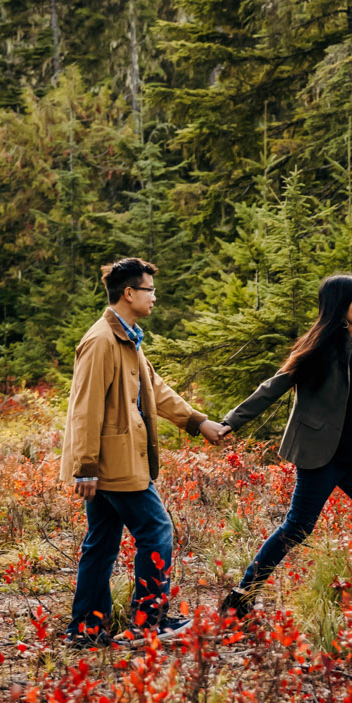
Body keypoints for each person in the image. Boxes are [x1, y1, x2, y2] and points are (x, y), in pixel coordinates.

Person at [211, 275, 352, 620]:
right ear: (341, 308)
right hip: (320, 457)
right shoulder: (320, 348)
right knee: (297, 527)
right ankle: (241, 595)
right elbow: (274, 385)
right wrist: (230, 421)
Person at [62, 257, 228, 646]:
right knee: (156, 531)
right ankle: (148, 621)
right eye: (150, 290)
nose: (155, 297)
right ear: (129, 293)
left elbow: (156, 389)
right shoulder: (101, 340)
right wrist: (86, 466)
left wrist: (196, 421)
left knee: (101, 543)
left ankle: (85, 628)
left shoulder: (128, 338)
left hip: (112, 461)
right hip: (113, 463)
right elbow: (85, 408)